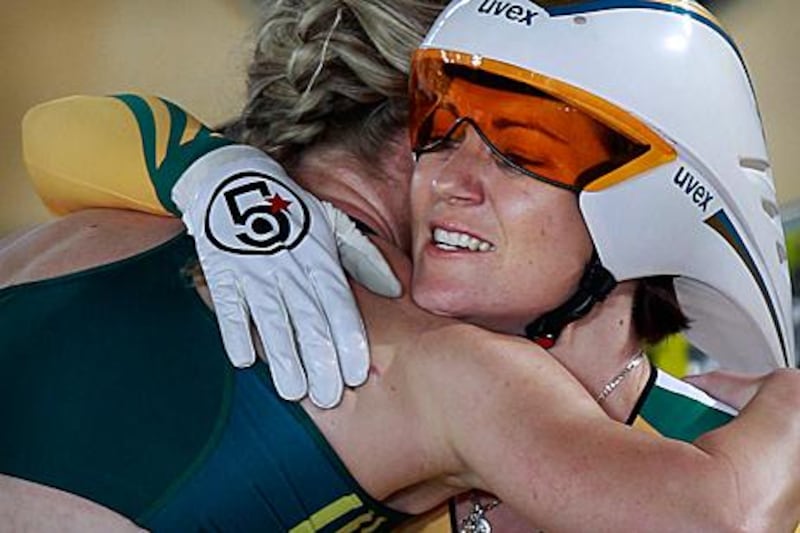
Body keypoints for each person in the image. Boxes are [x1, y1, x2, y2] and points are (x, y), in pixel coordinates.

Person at [5, 1, 800, 532]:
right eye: (442, 131)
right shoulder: (443, 373)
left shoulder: (105, 228)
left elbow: (60, 134)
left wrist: (204, 166)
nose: (454, 181)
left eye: (517, 149)